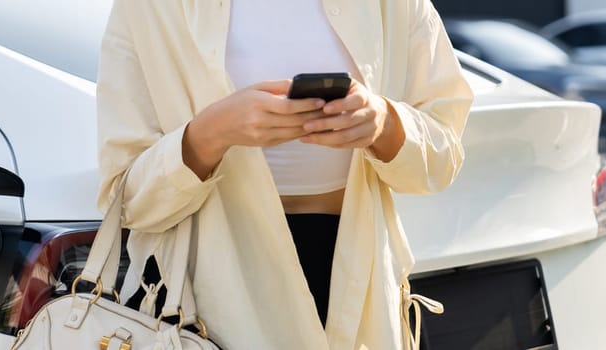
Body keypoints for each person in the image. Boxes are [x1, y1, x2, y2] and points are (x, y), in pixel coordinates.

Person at [96, 0, 473, 349]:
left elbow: (444, 156)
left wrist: (385, 122)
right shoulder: (151, 8)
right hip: (210, 289)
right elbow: (127, 202)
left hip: (357, 281)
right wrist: (211, 132)